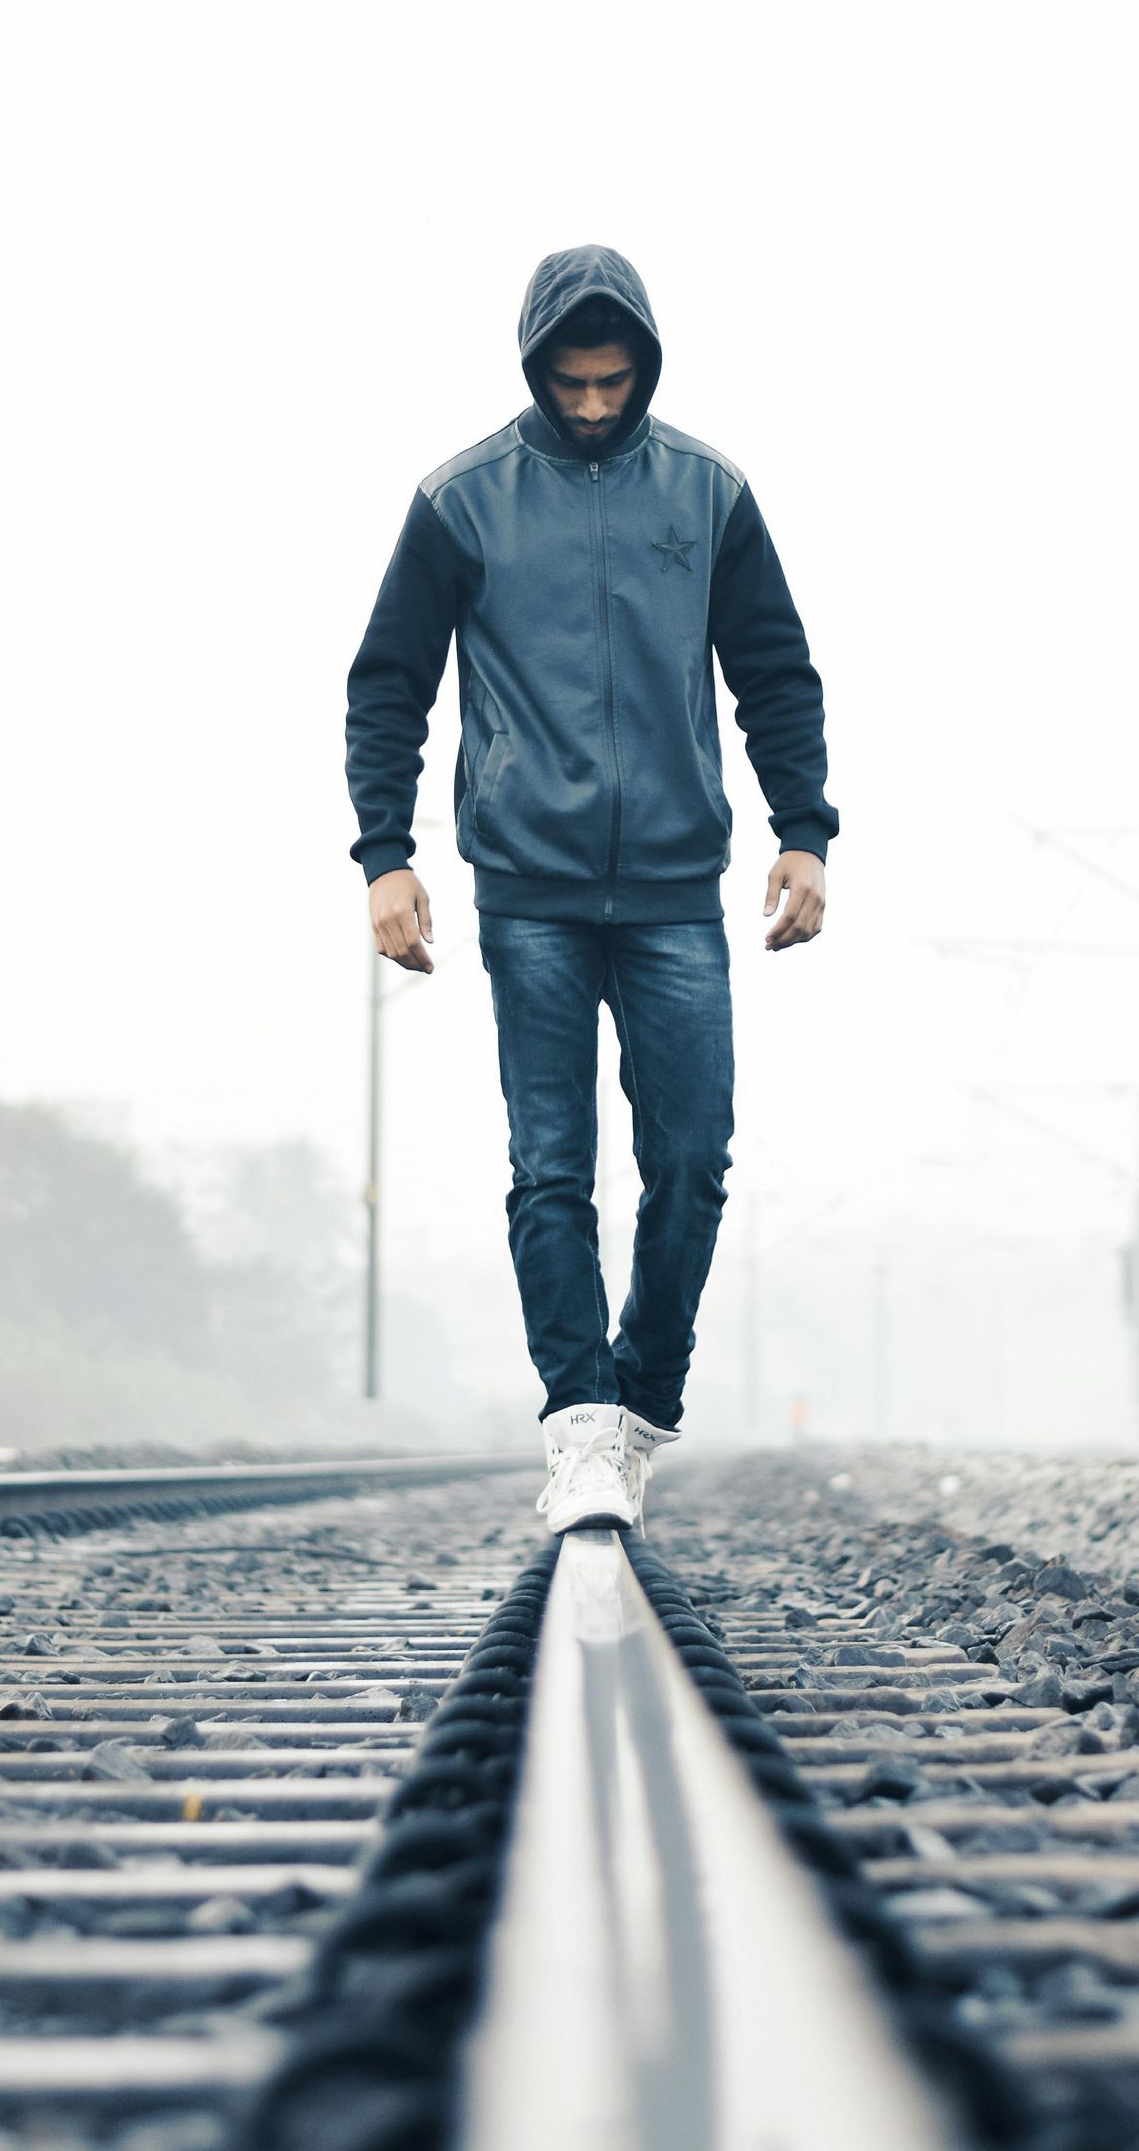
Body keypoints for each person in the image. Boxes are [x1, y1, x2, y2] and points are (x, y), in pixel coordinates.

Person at [345, 247, 837, 1531]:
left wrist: (805, 832)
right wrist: (386, 856)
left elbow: (774, 672)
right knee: (551, 1165)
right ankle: (578, 1429)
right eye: (572, 383)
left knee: (692, 1161)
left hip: (677, 885)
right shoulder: (462, 501)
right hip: (532, 887)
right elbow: (387, 685)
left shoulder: (710, 493)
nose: (595, 405)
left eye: (615, 383)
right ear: (534, 369)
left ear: (646, 369)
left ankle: (639, 1405)